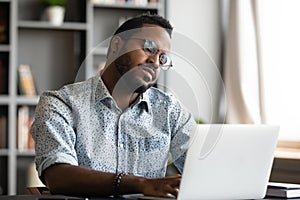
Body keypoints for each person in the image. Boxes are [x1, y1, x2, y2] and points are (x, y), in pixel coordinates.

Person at [30, 13, 196, 198]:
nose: (155, 62)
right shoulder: (61, 104)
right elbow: (59, 176)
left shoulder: (170, 111)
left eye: (163, 58)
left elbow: (203, 169)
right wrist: (141, 184)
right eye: (149, 48)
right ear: (117, 45)